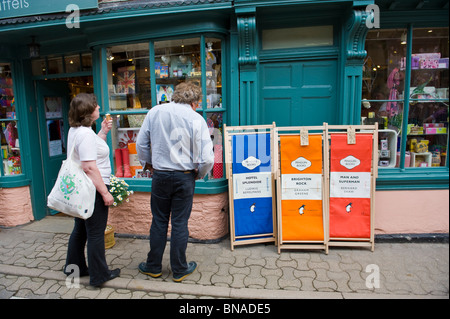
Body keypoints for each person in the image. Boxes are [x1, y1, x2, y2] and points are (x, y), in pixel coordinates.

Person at [136, 82, 214, 282]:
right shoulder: (197, 119)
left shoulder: (155, 112)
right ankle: (179, 269)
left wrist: (148, 164)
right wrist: (198, 174)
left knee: (159, 221)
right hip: (184, 176)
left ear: (176, 95)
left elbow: (141, 143)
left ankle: (153, 266)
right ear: (194, 102)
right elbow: (207, 159)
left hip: (161, 175)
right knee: (180, 223)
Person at [63, 93, 120, 287]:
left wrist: (103, 132)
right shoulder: (85, 134)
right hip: (93, 188)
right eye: (95, 106)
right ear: (88, 111)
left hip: (81, 187)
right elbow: (88, 166)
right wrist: (105, 192)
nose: (98, 108)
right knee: (95, 233)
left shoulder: (77, 130)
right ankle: (99, 275)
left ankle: (74, 268)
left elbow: (90, 150)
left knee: (80, 230)